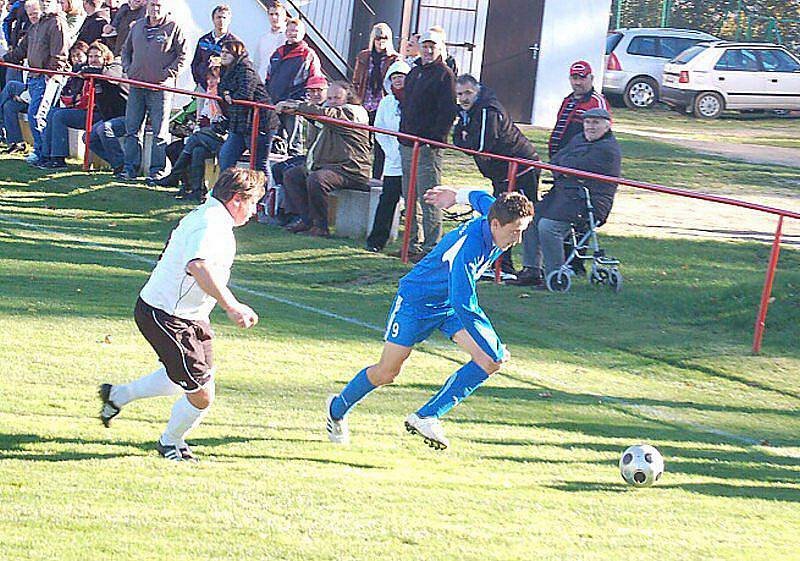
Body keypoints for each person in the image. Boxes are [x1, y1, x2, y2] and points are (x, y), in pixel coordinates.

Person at [325, 186, 534, 450]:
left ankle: (426, 416)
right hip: (416, 303)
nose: (518, 239)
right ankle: (337, 408)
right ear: (495, 224)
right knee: (387, 372)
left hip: (447, 306)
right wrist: (492, 341)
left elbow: (480, 197)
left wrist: (455, 195)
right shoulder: (469, 249)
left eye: (522, 231)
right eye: (515, 231)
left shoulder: (496, 214)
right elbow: (465, 304)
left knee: (489, 361)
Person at [97, 167, 265, 463]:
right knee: (201, 394)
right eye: (253, 203)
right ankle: (169, 443)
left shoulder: (214, 218)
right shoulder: (209, 224)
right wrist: (232, 305)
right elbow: (198, 266)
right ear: (237, 199)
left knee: (186, 378)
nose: (254, 212)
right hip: (166, 315)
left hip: (190, 316)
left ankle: (117, 396)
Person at [514, 107, 621, 287]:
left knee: (548, 227)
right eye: (587, 122)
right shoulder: (579, 139)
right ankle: (531, 270)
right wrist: (565, 169)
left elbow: (576, 166)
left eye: (596, 122)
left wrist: (565, 168)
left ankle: (554, 277)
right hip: (565, 194)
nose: (590, 126)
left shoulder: (607, 149)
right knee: (530, 219)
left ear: (607, 126)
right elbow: (556, 161)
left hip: (589, 202)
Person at [452, 73, 541, 280]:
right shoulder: (467, 111)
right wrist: (467, 141)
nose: (464, 98)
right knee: (499, 215)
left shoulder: (487, 110)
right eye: (459, 94)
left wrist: (468, 141)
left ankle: (527, 268)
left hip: (521, 169)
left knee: (520, 217)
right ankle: (501, 264)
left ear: (478, 91)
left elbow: (483, 146)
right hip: (501, 172)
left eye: (468, 93)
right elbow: (457, 138)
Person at [278, 80, 371, 238]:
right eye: (330, 98)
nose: (333, 102)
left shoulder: (353, 113)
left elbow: (326, 115)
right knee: (292, 175)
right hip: (329, 165)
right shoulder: (328, 111)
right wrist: (291, 107)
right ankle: (307, 221)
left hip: (351, 169)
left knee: (317, 180)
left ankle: (321, 227)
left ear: (348, 97)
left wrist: (297, 107)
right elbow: (318, 115)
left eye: (337, 98)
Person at [398, 29, 458, 260]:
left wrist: (433, 140)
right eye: (425, 45)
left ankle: (432, 246)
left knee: (430, 195)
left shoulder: (445, 75)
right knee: (409, 193)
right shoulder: (414, 73)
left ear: (440, 48)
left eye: (433, 46)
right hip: (407, 141)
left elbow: (447, 111)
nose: (428, 50)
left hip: (427, 146)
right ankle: (410, 242)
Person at [120, 0, 187, 182]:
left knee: (160, 131)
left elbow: (183, 55)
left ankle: (157, 171)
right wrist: (128, 68)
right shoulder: (138, 26)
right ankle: (130, 169)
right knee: (132, 128)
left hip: (160, 88)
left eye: (159, 5)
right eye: (152, 5)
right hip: (136, 86)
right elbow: (125, 51)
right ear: (147, 7)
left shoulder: (174, 27)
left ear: (165, 8)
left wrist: (168, 73)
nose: (155, 9)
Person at [2, 0, 69, 166]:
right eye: (42, 1)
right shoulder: (36, 26)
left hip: (47, 77)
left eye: (48, 1)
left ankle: (43, 153)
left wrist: (50, 75)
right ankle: (41, 152)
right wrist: (4, 59)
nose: (44, 4)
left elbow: (60, 54)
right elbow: (21, 50)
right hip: (34, 76)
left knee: (38, 114)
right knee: (34, 113)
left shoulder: (57, 23)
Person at [365, 59, 409, 253]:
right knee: (388, 199)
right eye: (395, 77)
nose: (398, 81)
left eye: (402, 77)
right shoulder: (386, 102)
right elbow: (380, 130)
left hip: (410, 157)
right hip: (392, 159)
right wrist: (392, 152)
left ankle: (414, 242)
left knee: (413, 200)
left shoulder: (414, 100)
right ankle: (376, 240)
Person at [216, 39, 279, 176]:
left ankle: (265, 196)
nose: (224, 55)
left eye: (228, 52)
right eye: (222, 52)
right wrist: (228, 94)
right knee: (225, 159)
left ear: (237, 54)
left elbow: (245, 94)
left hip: (260, 123)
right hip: (239, 122)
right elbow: (221, 90)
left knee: (258, 164)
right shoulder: (225, 69)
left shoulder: (246, 69)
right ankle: (225, 193)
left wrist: (230, 95)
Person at [265, 17, 320, 157]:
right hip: (274, 103)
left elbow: (314, 81)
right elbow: (269, 76)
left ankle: (295, 171)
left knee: (294, 144)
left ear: (303, 33)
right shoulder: (278, 52)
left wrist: (300, 103)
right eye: (289, 30)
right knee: (275, 142)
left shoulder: (308, 54)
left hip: (294, 104)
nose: (292, 33)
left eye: (296, 31)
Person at [352, 22, 398, 179]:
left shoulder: (394, 59)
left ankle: (378, 177)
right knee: (361, 142)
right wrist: (355, 102)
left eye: (385, 38)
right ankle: (360, 174)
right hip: (364, 104)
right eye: (378, 37)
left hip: (383, 106)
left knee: (381, 144)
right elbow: (356, 81)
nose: (381, 41)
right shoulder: (364, 56)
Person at [37, 39, 90, 169]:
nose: (76, 59)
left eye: (79, 55)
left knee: (59, 116)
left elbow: (85, 99)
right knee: (52, 112)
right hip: (77, 108)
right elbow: (66, 95)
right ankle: (46, 155)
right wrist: (73, 99)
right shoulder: (74, 74)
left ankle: (59, 158)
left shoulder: (89, 73)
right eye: (73, 56)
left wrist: (74, 100)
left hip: (90, 112)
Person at [548, 60, 610, 159]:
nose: (578, 83)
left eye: (582, 78)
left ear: (591, 78)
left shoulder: (597, 101)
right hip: (559, 158)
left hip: (578, 159)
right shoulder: (567, 101)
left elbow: (603, 133)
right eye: (574, 78)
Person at [86, 39, 128, 173]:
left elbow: (111, 76)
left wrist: (89, 71)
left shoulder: (115, 67)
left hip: (127, 116)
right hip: (108, 117)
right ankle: (117, 162)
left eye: (97, 56)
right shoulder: (93, 73)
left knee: (105, 129)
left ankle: (121, 166)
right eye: (90, 57)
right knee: (88, 138)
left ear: (106, 57)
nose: (93, 60)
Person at [190, 4, 235, 118]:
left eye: (224, 18)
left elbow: (235, 68)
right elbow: (195, 62)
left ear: (229, 20)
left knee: (218, 119)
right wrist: (199, 81)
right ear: (213, 19)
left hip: (221, 90)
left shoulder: (233, 43)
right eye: (218, 17)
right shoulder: (204, 40)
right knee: (201, 119)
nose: (221, 21)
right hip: (203, 87)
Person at [253, 0, 285, 82]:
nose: (274, 17)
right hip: (262, 82)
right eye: (271, 14)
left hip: (280, 83)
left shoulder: (288, 38)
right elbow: (257, 63)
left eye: (277, 14)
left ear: (284, 16)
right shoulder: (263, 39)